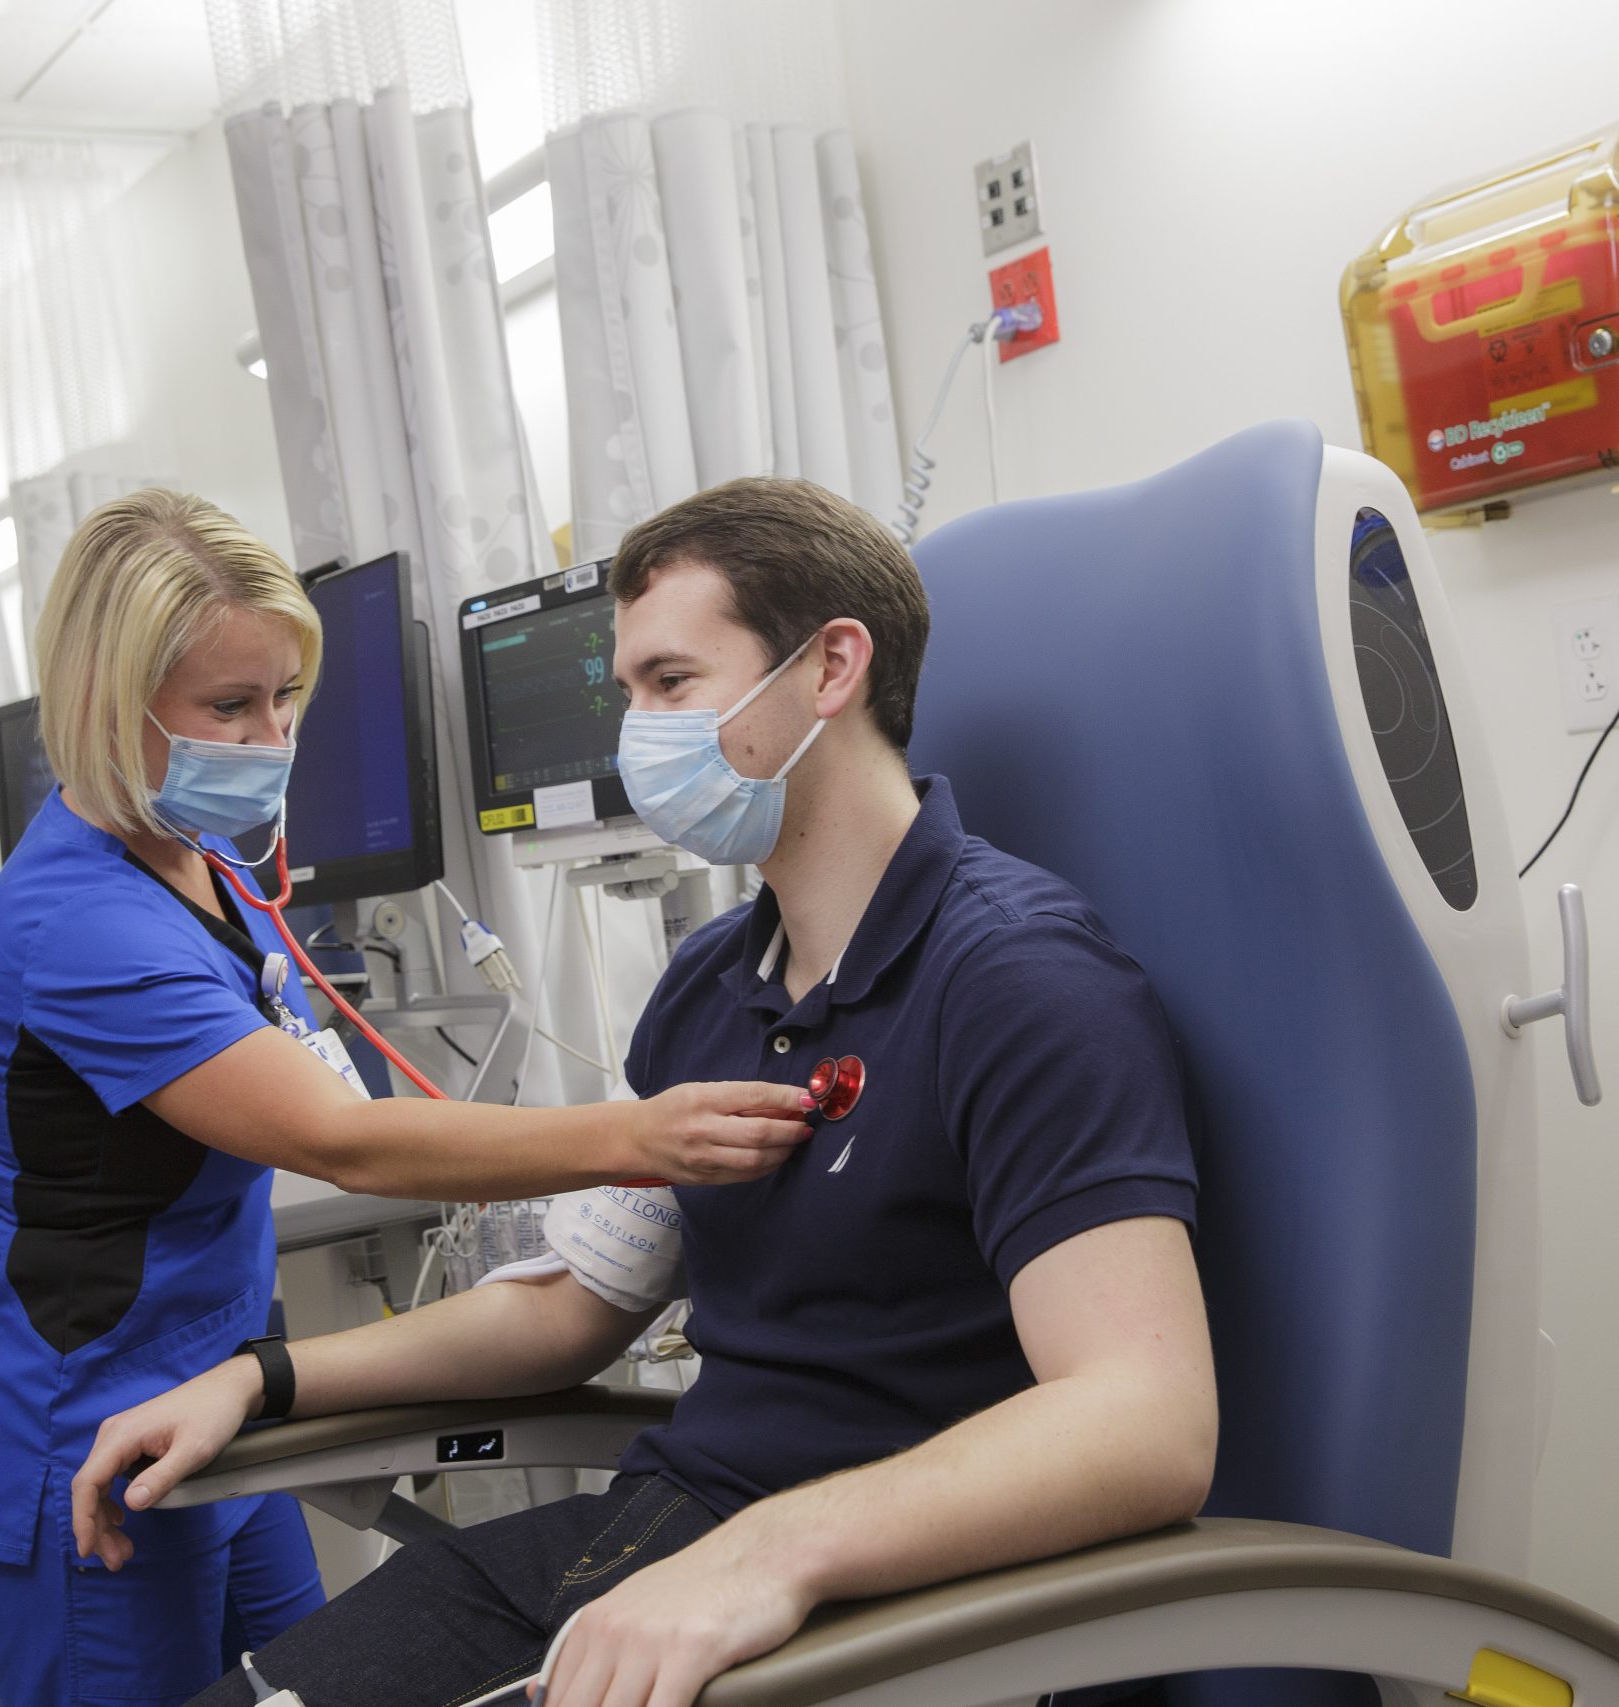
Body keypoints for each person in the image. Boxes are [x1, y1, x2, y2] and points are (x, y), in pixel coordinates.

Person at [72, 478, 1218, 1707]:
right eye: (627, 693)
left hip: (896, 1613)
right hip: (660, 1544)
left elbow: (1143, 1422)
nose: (638, 735)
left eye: (670, 684)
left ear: (830, 668)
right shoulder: (712, 986)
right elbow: (570, 1307)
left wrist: (770, 1555)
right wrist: (265, 1376)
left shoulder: (1016, 978)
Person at [0, 490, 814, 1707]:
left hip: (214, 1389)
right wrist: (639, 1136)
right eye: (230, 706)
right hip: (80, 1433)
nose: (271, 738)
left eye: (286, 697)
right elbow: (341, 1139)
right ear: (103, 709)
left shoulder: (195, 857)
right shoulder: (79, 922)